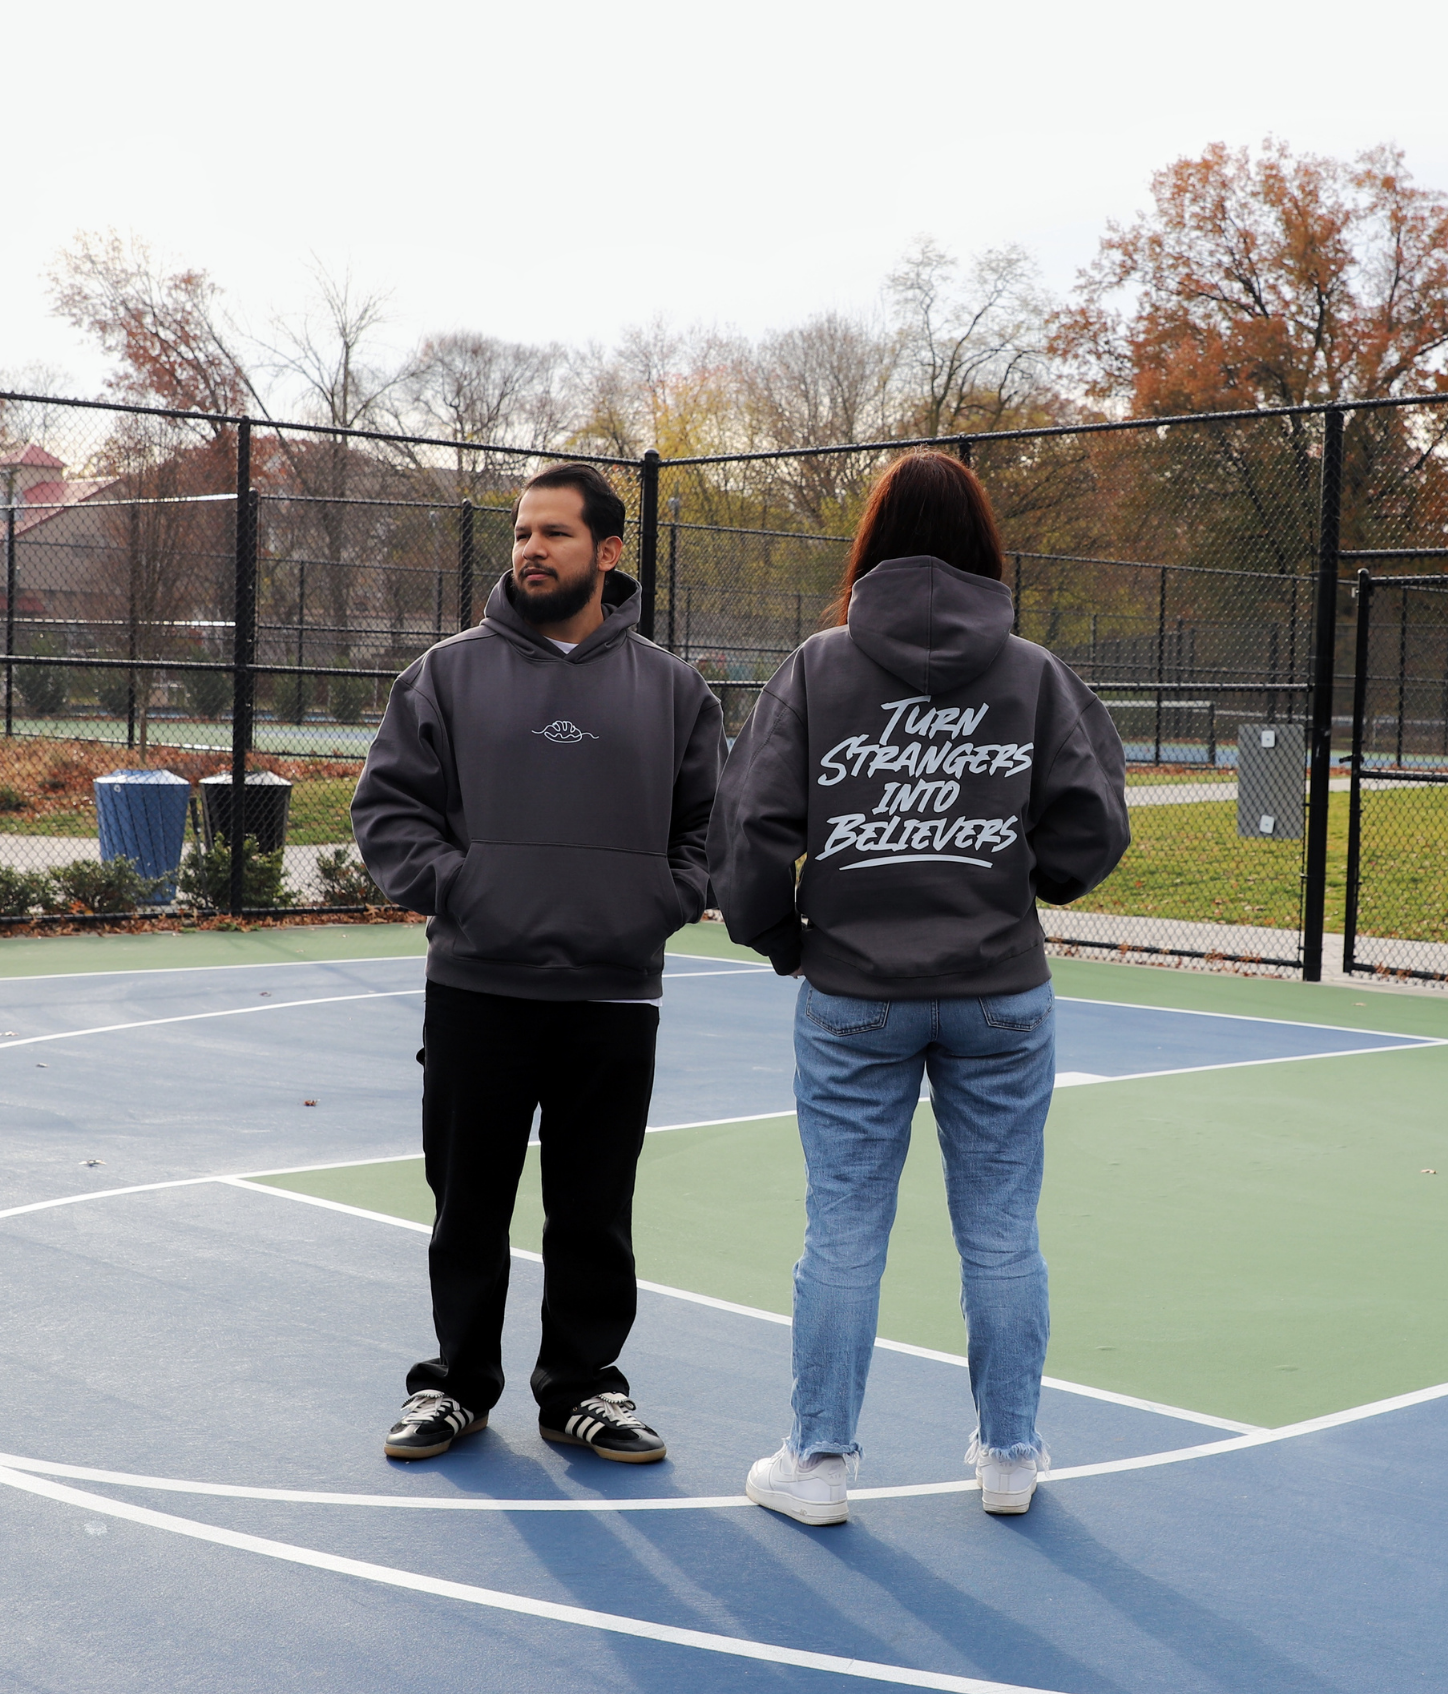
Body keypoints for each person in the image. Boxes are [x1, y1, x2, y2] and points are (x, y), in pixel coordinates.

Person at [709, 451, 1129, 1523]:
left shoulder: (817, 666)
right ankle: (1008, 1456)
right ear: (986, 545)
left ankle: (817, 1463)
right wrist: (1034, 885)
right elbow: (1092, 819)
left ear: (872, 540)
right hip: (999, 986)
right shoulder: (1029, 671)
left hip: (852, 989)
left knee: (843, 1225)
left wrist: (780, 935)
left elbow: (752, 828)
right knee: (1000, 1228)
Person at [352, 461, 721, 1465]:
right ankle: (456, 1384)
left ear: (607, 551)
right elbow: (387, 811)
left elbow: (706, 831)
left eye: (555, 532)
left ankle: (581, 1388)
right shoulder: (445, 673)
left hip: (612, 992)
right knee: (465, 1203)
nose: (530, 548)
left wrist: (658, 897)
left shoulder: (675, 689)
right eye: (522, 531)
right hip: (479, 987)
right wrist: (465, 888)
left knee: (594, 1208)